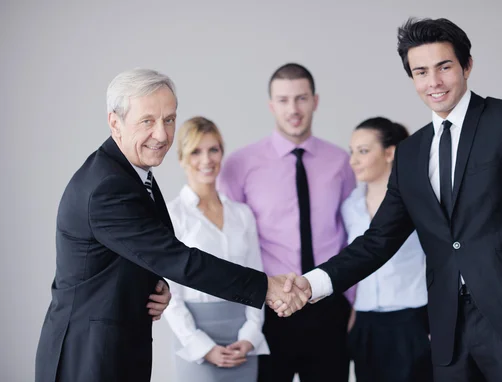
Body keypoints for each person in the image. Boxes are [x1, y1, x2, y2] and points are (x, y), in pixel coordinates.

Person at [278, 18, 502, 382]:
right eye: (421, 72)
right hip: (446, 327)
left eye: (444, 67)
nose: (434, 82)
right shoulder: (410, 154)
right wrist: (314, 283)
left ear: (466, 65)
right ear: (412, 78)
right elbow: (378, 240)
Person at [35, 68, 308, 382]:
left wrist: (153, 285)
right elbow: (177, 258)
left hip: (114, 349)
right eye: (147, 121)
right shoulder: (108, 187)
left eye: (169, 119)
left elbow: (136, 251)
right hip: (88, 357)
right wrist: (266, 286)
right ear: (115, 122)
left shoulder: (132, 174)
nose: (162, 135)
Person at [218, 63, 356, 382]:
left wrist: (352, 302)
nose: (293, 109)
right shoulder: (240, 165)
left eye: (301, 98)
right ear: (271, 105)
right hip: (269, 307)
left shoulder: (341, 162)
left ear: (315, 101)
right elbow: (231, 239)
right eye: (283, 100)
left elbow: (354, 233)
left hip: (328, 306)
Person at [164, 116, 269, 381]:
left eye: (213, 149)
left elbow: (256, 278)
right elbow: (169, 293)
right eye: (196, 151)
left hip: (242, 338)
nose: (207, 159)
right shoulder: (172, 215)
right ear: (182, 158)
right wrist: (202, 346)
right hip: (195, 338)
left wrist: (250, 335)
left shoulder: (242, 214)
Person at [344, 117, 432, 382]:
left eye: (363, 151)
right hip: (366, 322)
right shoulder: (350, 206)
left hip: (412, 320)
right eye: (352, 152)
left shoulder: (418, 201)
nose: (353, 161)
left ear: (390, 152)